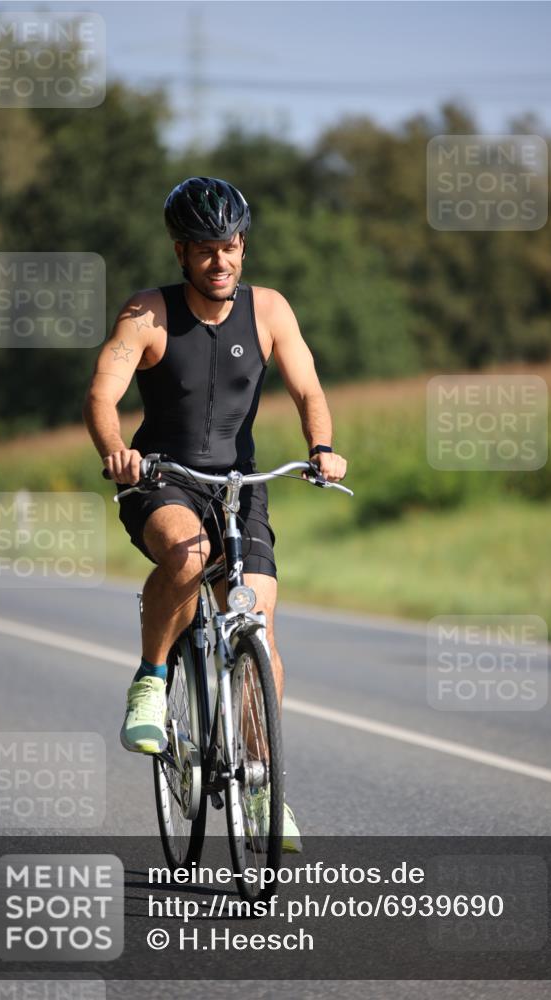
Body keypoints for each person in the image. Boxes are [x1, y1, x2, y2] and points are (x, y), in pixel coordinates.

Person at [83, 176, 347, 852]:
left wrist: (320, 447)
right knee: (187, 554)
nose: (221, 261)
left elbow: (308, 386)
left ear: (242, 247)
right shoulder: (148, 314)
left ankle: (262, 785)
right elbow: (102, 394)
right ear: (181, 252)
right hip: (162, 477)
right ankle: (151, 678)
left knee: (257, 621)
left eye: (230, 247)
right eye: (205, 251)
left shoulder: (269, 311)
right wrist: (116, 452)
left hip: (241, 483)